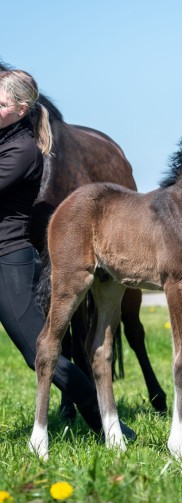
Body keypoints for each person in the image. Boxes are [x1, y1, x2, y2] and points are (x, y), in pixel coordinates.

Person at [0, 69, 135, 439]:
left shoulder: (22, 150)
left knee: (38, 353)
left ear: (22, 109)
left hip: (7, 261)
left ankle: (108, 423)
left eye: (0, 103)